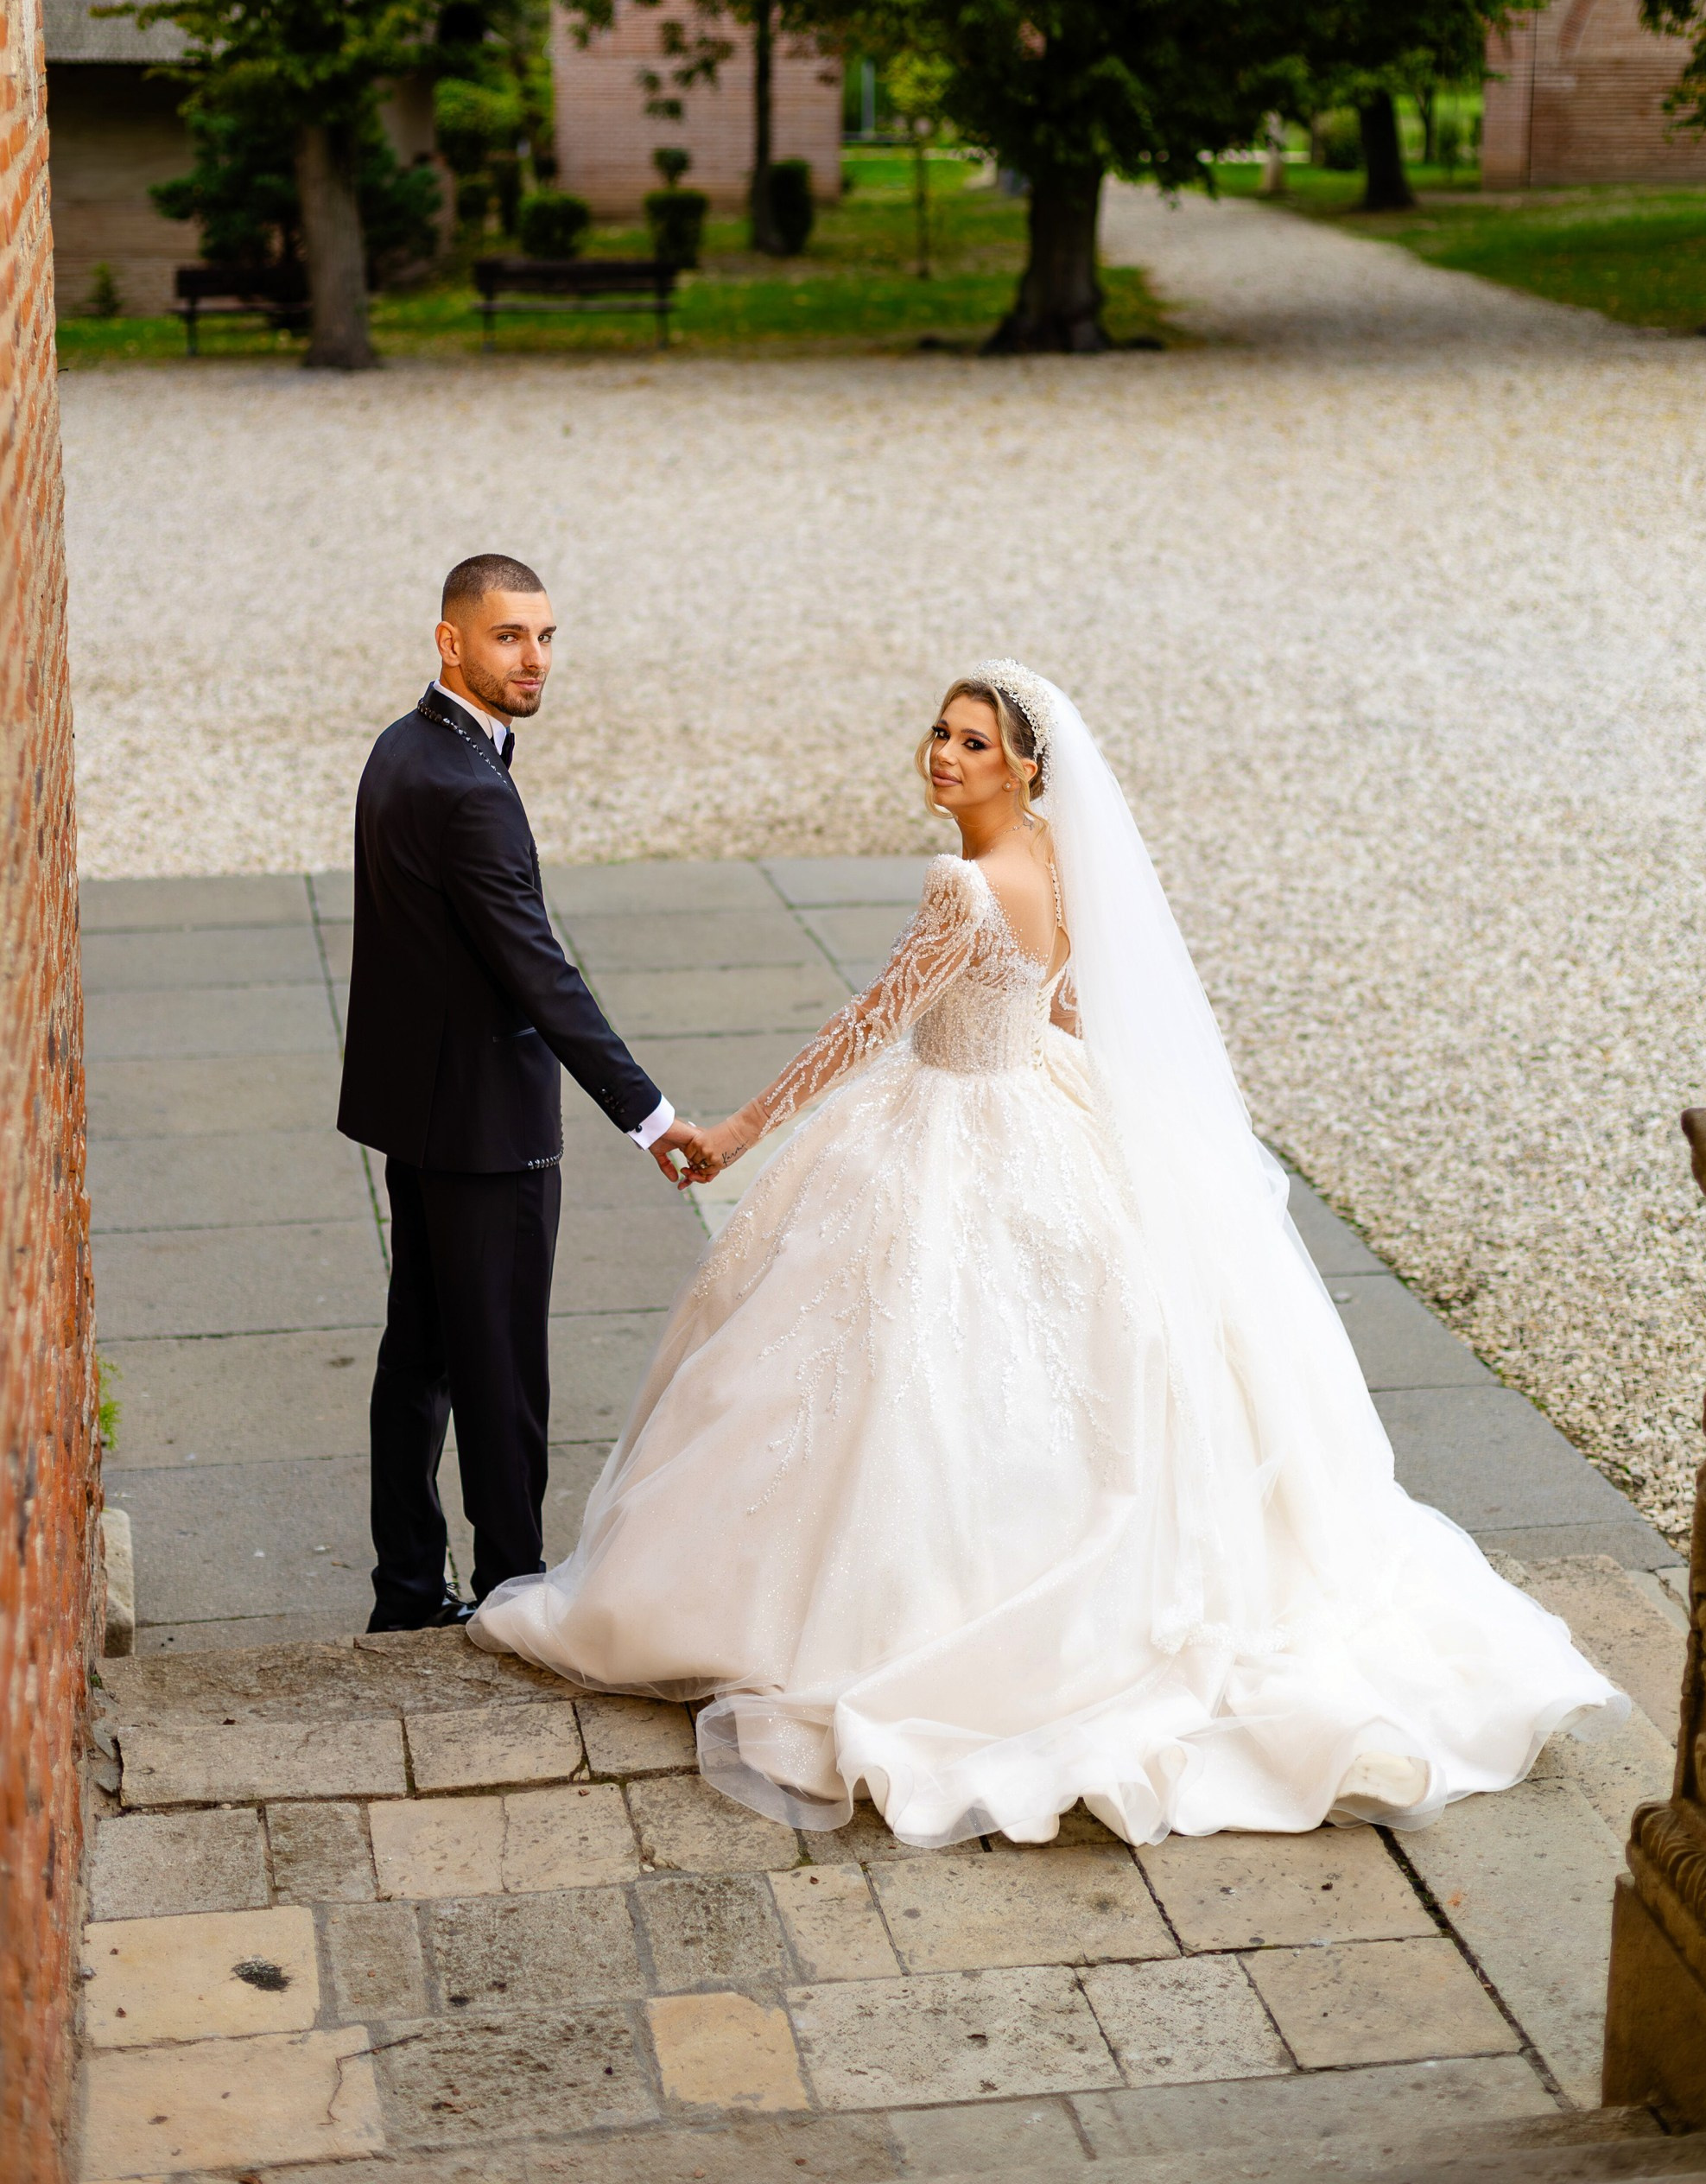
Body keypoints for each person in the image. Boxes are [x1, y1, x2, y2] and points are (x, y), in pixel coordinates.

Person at [469, 661, 1623, 1845]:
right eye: (938, 733)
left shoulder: (962, 883)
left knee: (888, 1370)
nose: (944, 756)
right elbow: (1063, 1002)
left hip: (956, 1118)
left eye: (973, 744)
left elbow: (873, 1023)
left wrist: (743, 1130)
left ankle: (856, 1610)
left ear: (1024, 766)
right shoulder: (1061, 859)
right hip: (1034, 1105)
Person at [339, 554, 706, 1634]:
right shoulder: (465, 786)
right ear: (450, 642)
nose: (534, 659)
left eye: (545, 637)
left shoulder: (401, 750)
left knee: (420, 1358)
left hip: (419, 1118)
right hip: (486, 1131)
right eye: (509, 637)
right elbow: (537, 969)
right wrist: (648, 1115)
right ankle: (512, 1594)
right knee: (500, 1376)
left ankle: (407, 1589)